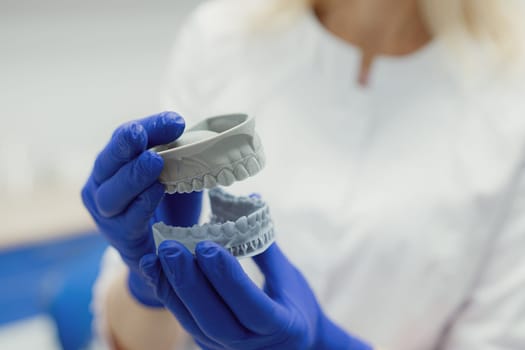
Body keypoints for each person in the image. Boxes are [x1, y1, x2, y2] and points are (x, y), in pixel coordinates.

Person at [82, 0, 525, 349]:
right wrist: (147, 282)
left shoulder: (511, 99)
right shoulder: (219, 37)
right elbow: (133, 342)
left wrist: (330, 347)